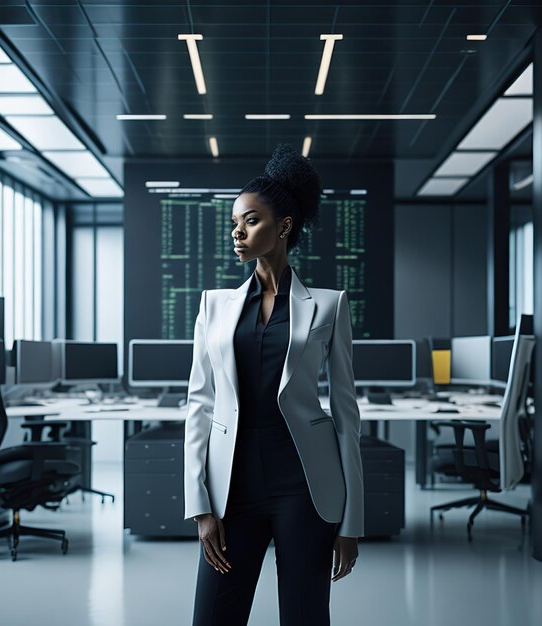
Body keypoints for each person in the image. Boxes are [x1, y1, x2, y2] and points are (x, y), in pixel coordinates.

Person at [184, 144, 364, 626]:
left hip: (304, 486)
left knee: (305, 617)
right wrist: (200, 504)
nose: (236, 232)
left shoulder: (329, 305)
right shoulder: (213, 306)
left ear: (283, 226)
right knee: (213, 617)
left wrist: (353, 522)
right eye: (234, 222)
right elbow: (200, 405)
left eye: (250, 221)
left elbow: (346, 413)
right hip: (232, 485)